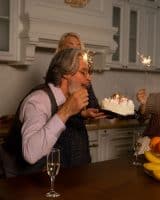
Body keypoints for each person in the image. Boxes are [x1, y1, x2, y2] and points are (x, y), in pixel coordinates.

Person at [0, 48, 93, 177]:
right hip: (11, 182)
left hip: (35, 180)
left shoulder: (63, 101)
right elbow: (30, 154)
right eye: (83, 72)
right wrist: (66, 111)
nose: (89, 79)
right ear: (66, 73)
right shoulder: (38, 101)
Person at [56, 32, 104, 119]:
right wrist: (82, 114)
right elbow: (56, 112)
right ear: (60, 50)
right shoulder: (55, 76)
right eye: (70, 46)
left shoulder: (84, 79)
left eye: (78, 47)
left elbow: (94, 106)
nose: (75, 50)